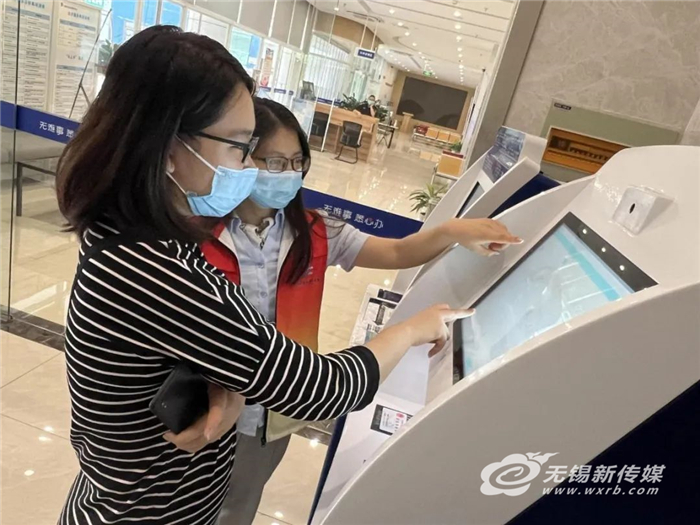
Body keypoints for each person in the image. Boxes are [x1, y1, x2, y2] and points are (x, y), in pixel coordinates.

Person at [55, 26, 472, 524]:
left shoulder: (135, 235)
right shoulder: (156, 272)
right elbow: (322, 387)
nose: (248, 169)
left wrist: (226, 387)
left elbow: (189, 347)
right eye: (238, 147)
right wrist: (411, 329)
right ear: (169, 148)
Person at [203, 98, 523, 524]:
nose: (288, 174)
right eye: (275, 162)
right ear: (241, 158)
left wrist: (451, 231)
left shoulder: (314, 231)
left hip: (275, 411)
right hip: (207, 405)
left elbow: (397, 251)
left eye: (297, 162)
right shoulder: (195, 233)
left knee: (238, 503)